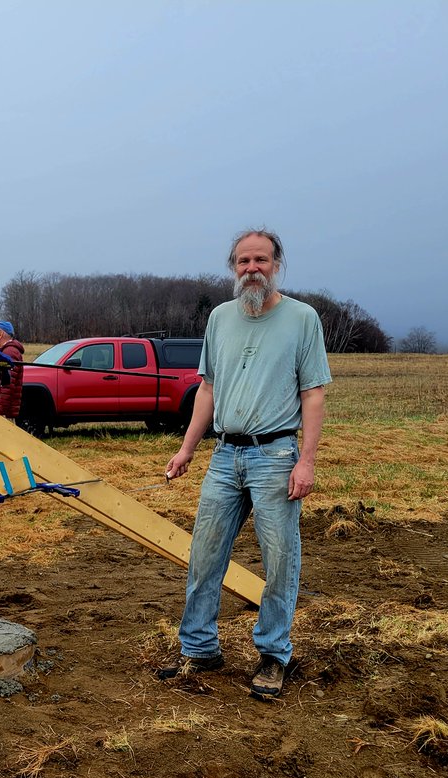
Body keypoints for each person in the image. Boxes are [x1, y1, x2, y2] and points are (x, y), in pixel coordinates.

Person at [159, 229, 331, 700]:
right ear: (233, 266)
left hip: (276, 455)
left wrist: (307, 461)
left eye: (261, 259)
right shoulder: (219, 318)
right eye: (242, 261)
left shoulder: (302, 318)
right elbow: (208, 390)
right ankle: (199, 648)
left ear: (277, 264)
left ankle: (274, 656)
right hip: (224, 455)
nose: (251, 268)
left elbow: (312, 393)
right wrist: (187, 448)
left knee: (279, 561)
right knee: (204, 556)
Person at [0, 320, 24, 419]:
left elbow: (7, 385)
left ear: (0, 334)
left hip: (3, 413)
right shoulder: (5, 352)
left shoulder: (9, 353)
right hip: (0, 410)